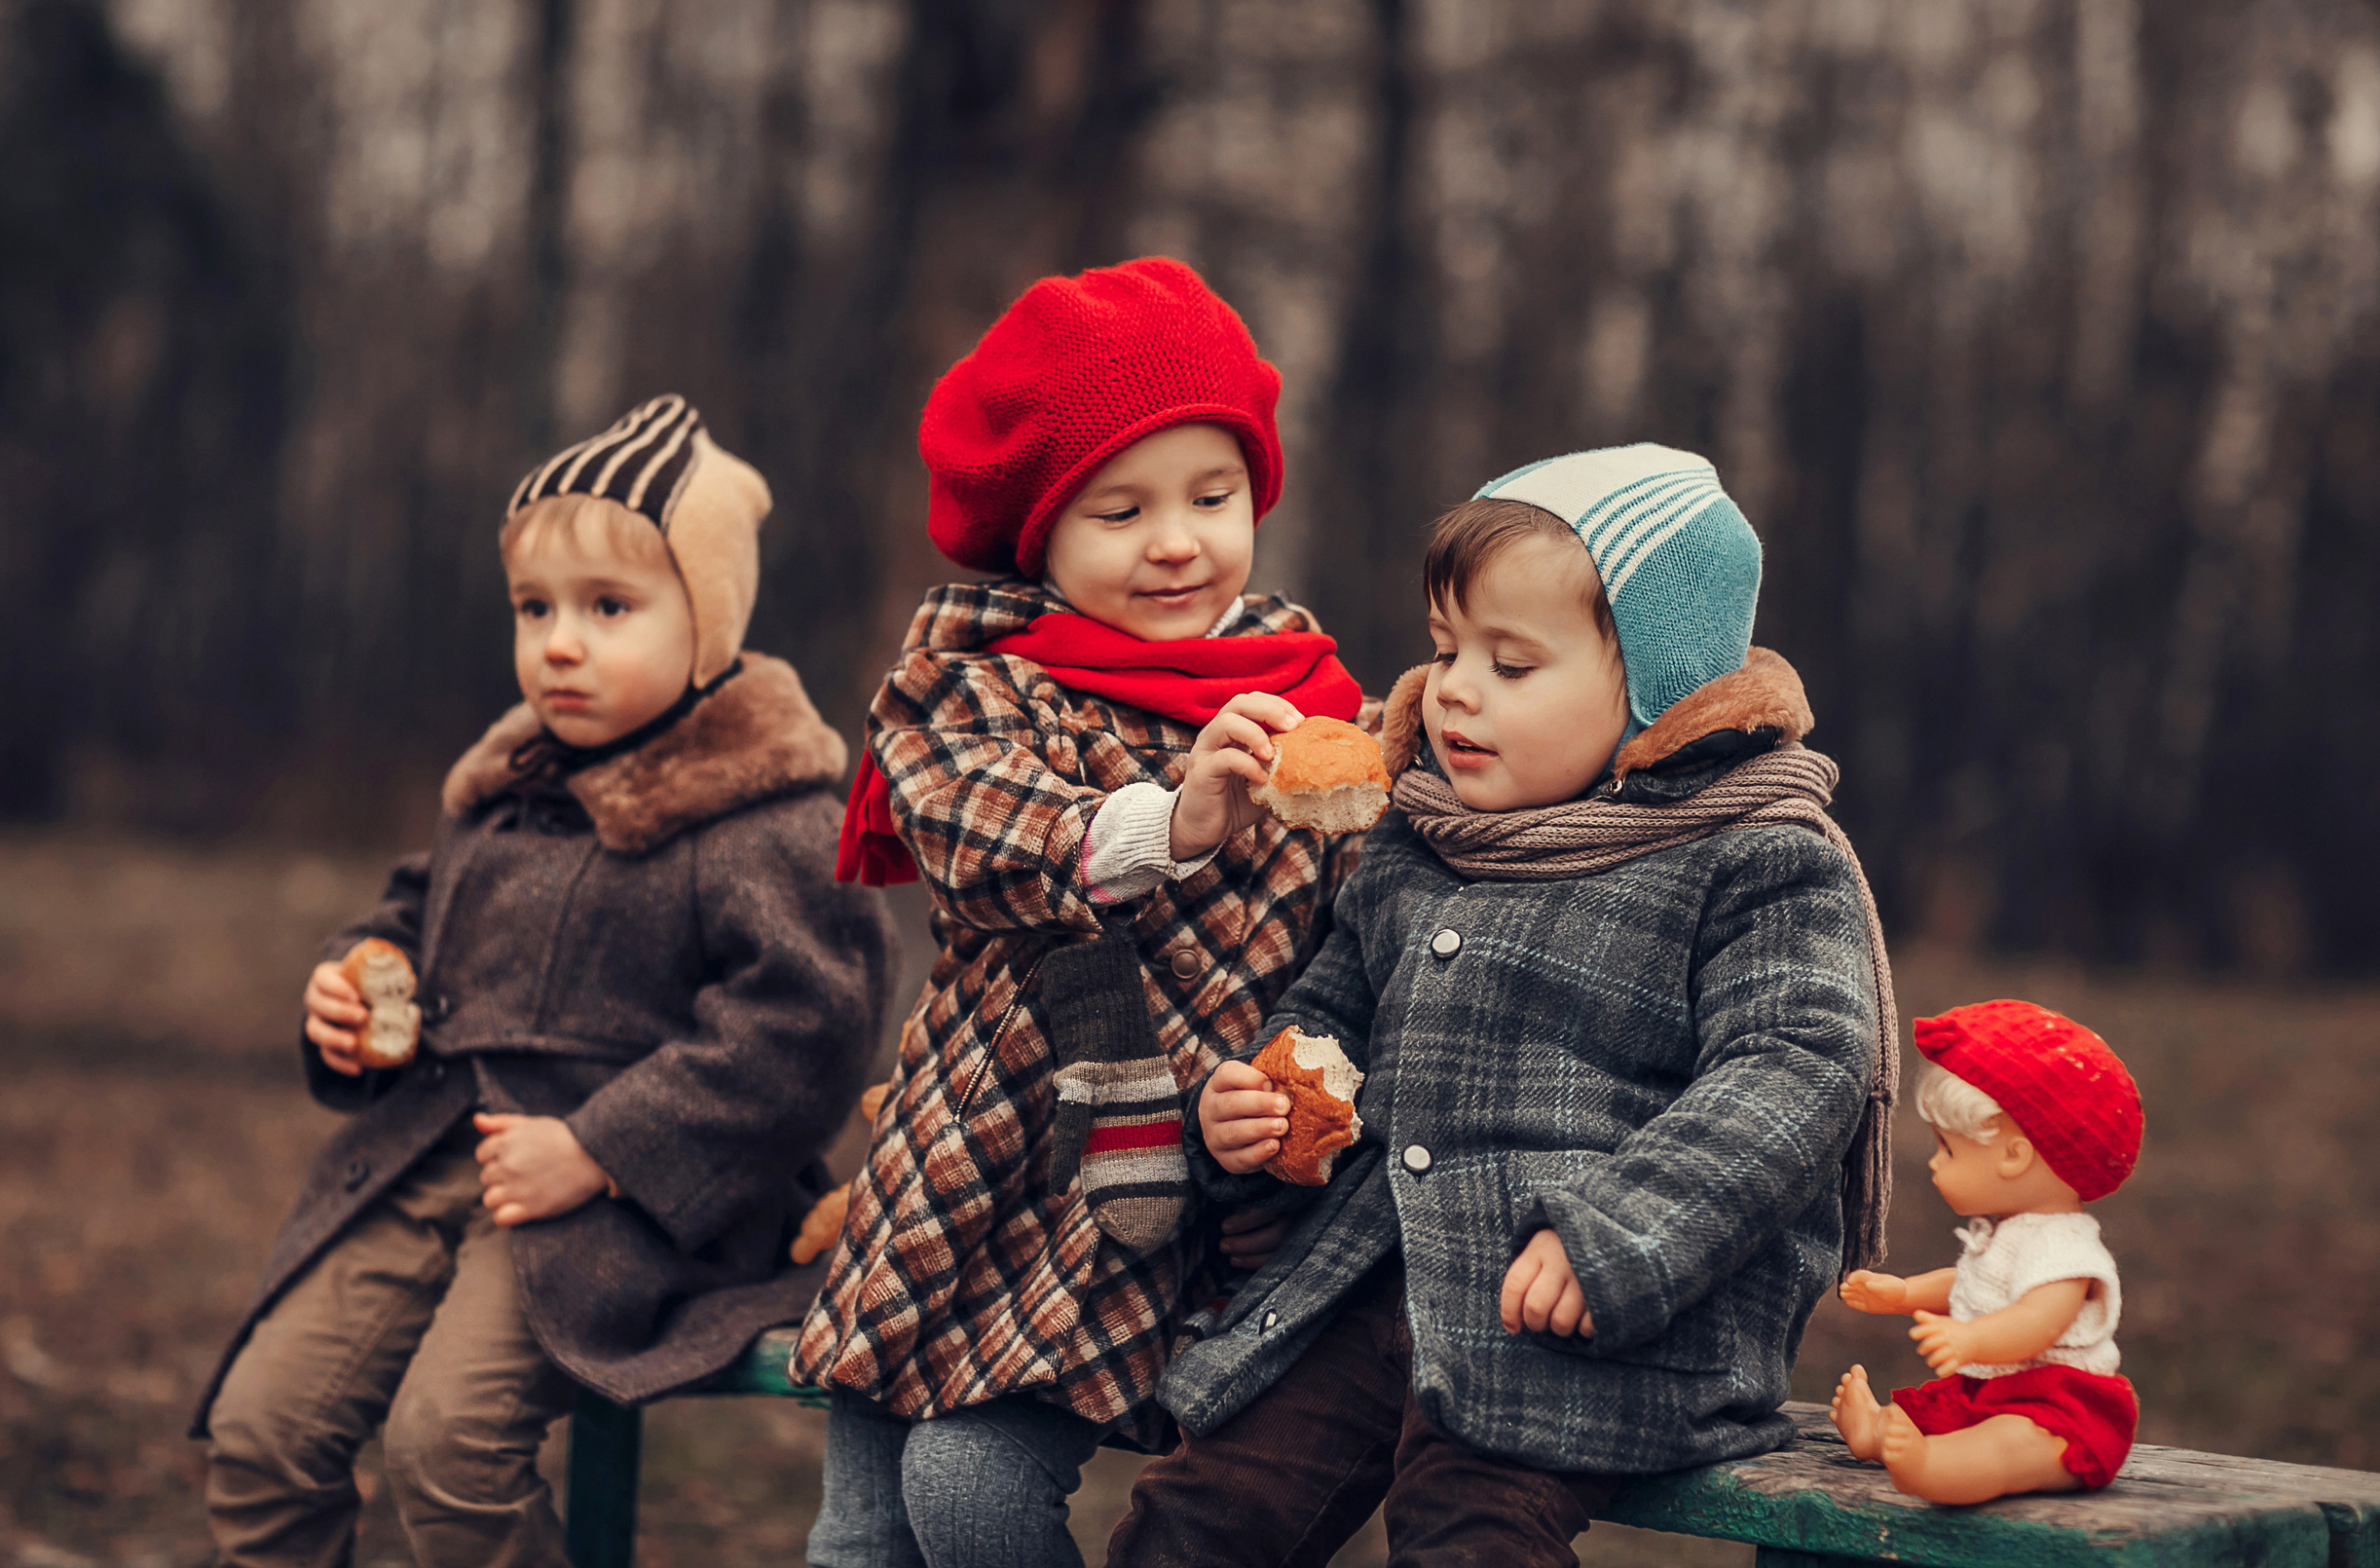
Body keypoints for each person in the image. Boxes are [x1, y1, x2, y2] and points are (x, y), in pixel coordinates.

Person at [1110, 445, 1904, 1568]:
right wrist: (1256, 1111)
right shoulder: (1416, 839)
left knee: (1466, 1535)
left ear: (1656, 693)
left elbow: (1795, 1069)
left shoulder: (1752, 857)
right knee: (1198, 1518)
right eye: (1445, 651)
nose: (1454, 691)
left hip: (1587, 1321)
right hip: (1372, 1285)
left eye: (1512, 663)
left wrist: (1620, 1235)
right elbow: (1330, 1015)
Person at [194, 395, 893, 1568]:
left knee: (447, 1453)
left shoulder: (767, 818)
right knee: (262, 1434)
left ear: (707, 622)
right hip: (434, 1161)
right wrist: (353, 989)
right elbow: (415, 914)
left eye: (608, 607)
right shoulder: (511, 783)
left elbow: (806, 1036)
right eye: (535, 608)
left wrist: (606, 1148)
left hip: (622, 1212)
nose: (559, 642)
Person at [793, 257, 1371, 1568]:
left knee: (974, 1490)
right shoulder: (974, 677)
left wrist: (1295, 1095)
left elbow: (1365, 940)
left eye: (1213, 495)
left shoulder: (1315, 696)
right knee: (861, 1525)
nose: (1177, 539)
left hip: (1139, 1189)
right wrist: (1174, 817)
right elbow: (969, 828)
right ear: (1036, 530)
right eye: (1120, 509)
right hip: (954, 1165)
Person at [1830, 999, 2144, 1505]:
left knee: (2011, 1445)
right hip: (1990, 1391)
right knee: (1930, 1411)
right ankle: (1878, 1432)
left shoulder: (2066, 1246)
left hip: (2058, 1407)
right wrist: (1906, 1293)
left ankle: (1937, 1470)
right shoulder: (2007, 1233)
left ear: (2014, 1156)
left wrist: (1972, 1340)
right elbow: (1970, 1283)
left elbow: (2038, 1320)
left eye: (1948, 1149)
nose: (1934, 1164)